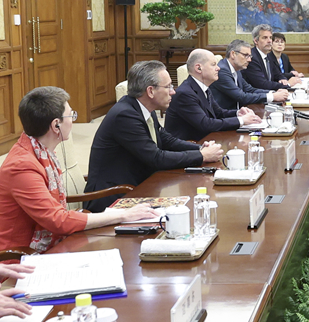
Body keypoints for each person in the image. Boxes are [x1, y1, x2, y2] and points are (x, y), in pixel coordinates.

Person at [0, 87, 161, 249]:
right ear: (56, 125)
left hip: (53, 243)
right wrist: (123, 215)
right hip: (20, 256)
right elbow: (57, 220)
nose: (73, 121)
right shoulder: (22, 167)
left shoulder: (41, 150)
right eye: (71, 115)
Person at [86, 61, 224, 211]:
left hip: (139, 187)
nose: (173, 92)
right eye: (168, 86)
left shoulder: (145, 109)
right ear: (150, 91)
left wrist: (200, 148)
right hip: (113, 197)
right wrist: (201, 156)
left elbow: (167, 140)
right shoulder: (125, 115)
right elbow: (156, 158)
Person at [164, 49, 262, 142]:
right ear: (198, 68)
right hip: (189, 146)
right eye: (213, 64)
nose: (218, 68)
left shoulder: (204, 87)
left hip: (206, 140)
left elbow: (219, 113)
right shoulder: (185, 93)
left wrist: (238, 113)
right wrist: (241, 120)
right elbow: (206, 124)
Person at [210, 40, 290, 110]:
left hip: (238, 113)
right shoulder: (222, 71)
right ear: (233, 54)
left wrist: (273, 92)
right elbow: (241, 97)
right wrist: (272, 97)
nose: (249, 60)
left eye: (250, 56)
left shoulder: (236, 69)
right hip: (225, 117)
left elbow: (249, 89)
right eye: (246, 55)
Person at [244, 24, 301, 90]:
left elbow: (277, 74)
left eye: (270, 37)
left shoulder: (268, 56)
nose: (269, 41)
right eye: (265, 38)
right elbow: (261, 84)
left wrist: (282, 79)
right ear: (256, 41)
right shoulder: (252, 57)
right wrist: (288, 84)